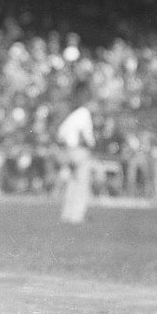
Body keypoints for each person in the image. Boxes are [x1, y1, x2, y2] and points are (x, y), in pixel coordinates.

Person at [56, 80, 96, 224]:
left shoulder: (71, 115)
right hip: (79, 151)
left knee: (72, 184)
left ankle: (68, 214)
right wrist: (91, 144)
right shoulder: (84, 113)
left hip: (69, 150)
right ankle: (77, 216)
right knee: (81, 184)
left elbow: (60, 134)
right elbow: (85, 134)